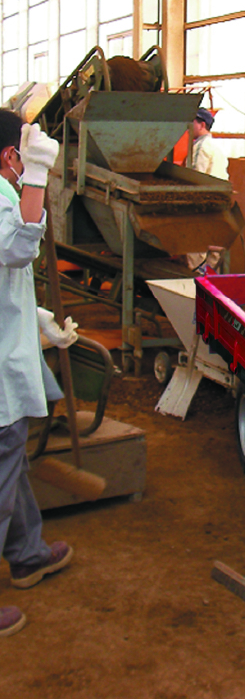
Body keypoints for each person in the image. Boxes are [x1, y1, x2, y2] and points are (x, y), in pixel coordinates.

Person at [0, 110, 73, 638]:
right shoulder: (5, 196)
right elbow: (21, 247)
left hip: (9, 345)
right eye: (22, 151)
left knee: (12, 467)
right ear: (10, 156)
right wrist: (40, 175)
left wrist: (38, 322)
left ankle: (27, 555)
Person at [185, 107, 228, 274]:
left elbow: (197, 177)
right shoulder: (216, 146)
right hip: (219, 202)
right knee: (213, 250)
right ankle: (211, 282)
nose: (188, 126)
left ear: (201, 124)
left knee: (196, 246)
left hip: (203, 203)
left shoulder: (200, 147)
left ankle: (195, 282)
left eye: (192, 122)